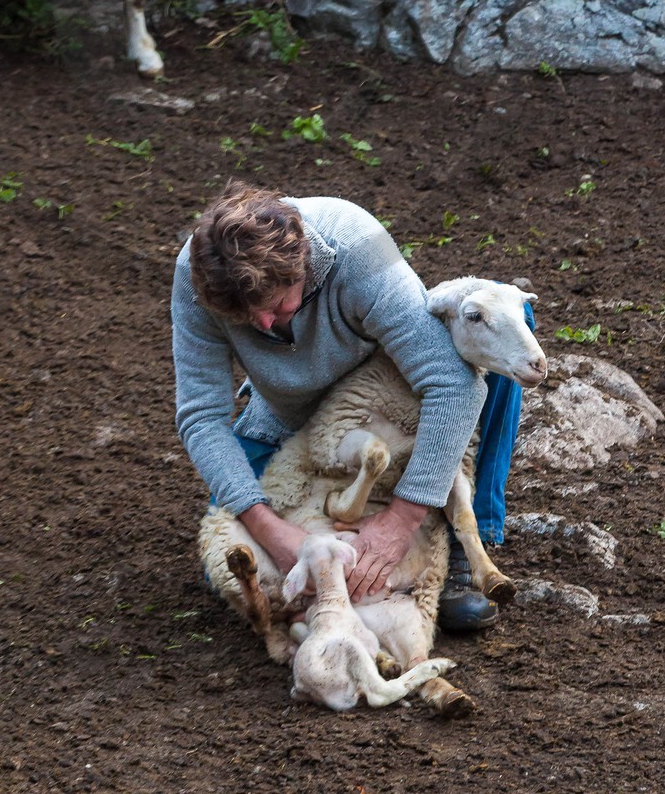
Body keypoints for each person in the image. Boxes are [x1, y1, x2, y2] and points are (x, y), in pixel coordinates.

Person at [171, 182, 528, 632]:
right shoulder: (198, 275)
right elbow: (201, 416)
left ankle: (466, 541)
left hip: (387, 395)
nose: (262, 325)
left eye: (278, 306)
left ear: (302, 265)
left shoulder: (355, 248)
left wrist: (401, 521)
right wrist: (270, 531)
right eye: (243, 317)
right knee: (230, 565)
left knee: (498, 321)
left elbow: (453, 384)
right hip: (290, 420)